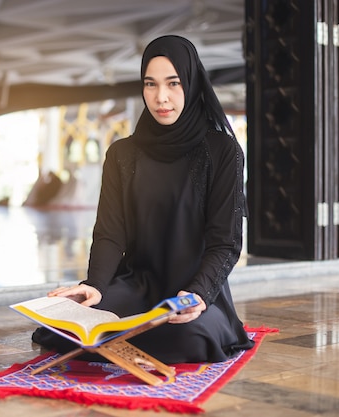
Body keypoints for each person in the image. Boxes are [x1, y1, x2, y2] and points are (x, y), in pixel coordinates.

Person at [32, 35, 254, 363]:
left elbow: (226, 242)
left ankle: (179, 327)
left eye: (173, 83)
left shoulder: (221, 152)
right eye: (150, 84)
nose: (161, 97)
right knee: (62, 330)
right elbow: (110, 233)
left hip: (193, 294)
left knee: (189, 338)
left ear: (191, 85)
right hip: (138, 284)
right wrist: (94, 285)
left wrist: (199, 293)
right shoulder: (123, 154)